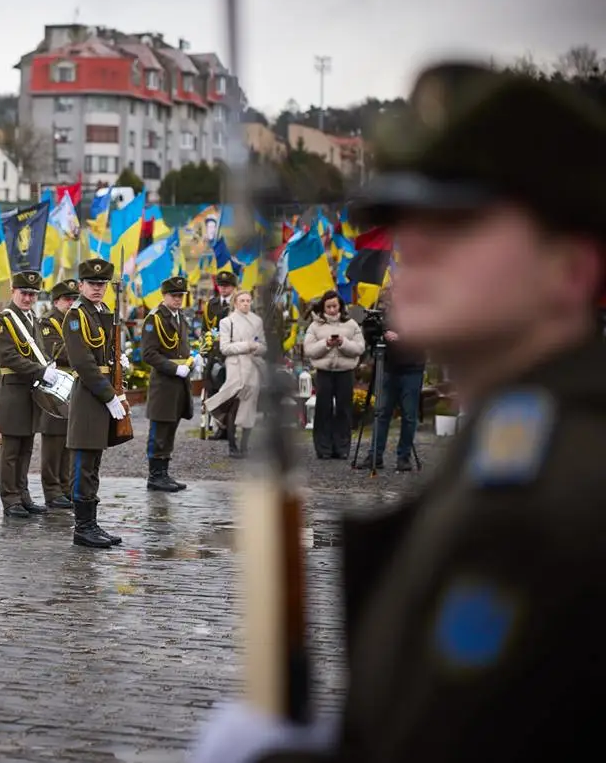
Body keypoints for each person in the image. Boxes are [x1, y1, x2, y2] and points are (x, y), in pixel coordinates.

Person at [190, 61, 606, 763]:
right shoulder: (512, 444)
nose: (416, 244)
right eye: (408, 218)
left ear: (573, 267)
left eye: (461, 220)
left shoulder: (569, 485)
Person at [63, 258, 131, 549]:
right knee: (83, 462)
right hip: (90, 395)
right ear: (81, 285)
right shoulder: (76, 316)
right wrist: (108, 395)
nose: (97, 288)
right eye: (92, 284)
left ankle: (91, 523)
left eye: (102, 284)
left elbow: (105, 354)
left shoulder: (102, 312)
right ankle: (82, 527)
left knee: (94, 463)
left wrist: (119, 363)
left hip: (103, 393)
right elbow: (83, 363)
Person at [0, 269, 62, 518]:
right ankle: (10, 498)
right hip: (13, 392)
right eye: (24, 293)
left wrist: (48, 365)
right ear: (13, 291)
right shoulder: (4, 320)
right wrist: (41, 371)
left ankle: (23, 494)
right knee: (11, 450)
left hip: (31, 392)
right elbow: (8, 357)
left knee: (26, 447)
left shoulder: (32, 318)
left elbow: (39, 351)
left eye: (33, 294)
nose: (28, 298)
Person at [358, 291, 427, 472]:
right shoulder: (385, 314)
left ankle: (404, 457)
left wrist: (401, 336)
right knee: (381, 413)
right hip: (388, 367)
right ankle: (375, 455)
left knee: (409, 415)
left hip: (412, 367)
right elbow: (373, 337)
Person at [139, 275, 193, 491]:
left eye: (181, 295)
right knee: (159, 431)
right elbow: (148, 353)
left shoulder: (180, 317)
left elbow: (182, 347)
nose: (178, 299)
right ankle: (155, 476)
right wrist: (174, 368)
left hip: (180, 383)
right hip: (164, 382)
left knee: (170, 430)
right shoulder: (154, 319)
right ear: (164, 295)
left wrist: (192, 361)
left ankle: (164, 473)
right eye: (174, 295)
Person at [202, 289, 266, 459]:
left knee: (249, 407)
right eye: (242, 301)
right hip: (235, 368)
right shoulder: (227, 322)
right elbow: (225, 348)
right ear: (235, 303)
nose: (245, 304)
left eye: (248, 300)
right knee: (233, 406)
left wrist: (257, 347)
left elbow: (263, 346)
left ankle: (244, 445)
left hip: (253, 367)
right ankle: (232, 445)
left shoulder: (257, 321)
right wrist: (246, 346)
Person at [303, 289, 365, 460]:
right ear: (323, 307)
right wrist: (326, 344)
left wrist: (343, 343)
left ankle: (342, 447)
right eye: (328, 307)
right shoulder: (315, 326)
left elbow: (360, 348)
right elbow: (309, 350)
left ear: (340, 306)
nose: (332, 310)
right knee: (323, 409)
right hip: (324, 372)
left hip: (345, 372)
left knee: (344, 410)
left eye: (334, 306)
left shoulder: (351, 324)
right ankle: (323, 448)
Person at [38, 279, 79, 509]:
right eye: (67, 299)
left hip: (73, 386)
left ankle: (65, 487)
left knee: (68, 440)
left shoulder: (74, 320)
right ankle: (52, 490)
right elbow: (56, 351)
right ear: (56, 301)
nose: (71, 303)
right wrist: (83, 352)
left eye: (74, 299)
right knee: (53, 440)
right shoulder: (49, 321)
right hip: (55, 387)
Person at [201, 270, 239, 440]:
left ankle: (231, 427)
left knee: (231, 391)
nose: (223, 289)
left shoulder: (238, 303)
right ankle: (219, 426)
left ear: (233, 287)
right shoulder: (212, 304)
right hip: (214, 353)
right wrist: (204, 351)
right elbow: (205, 329)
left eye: (227, 286)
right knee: (213, 389)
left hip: (232, 352)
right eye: (221, 286)